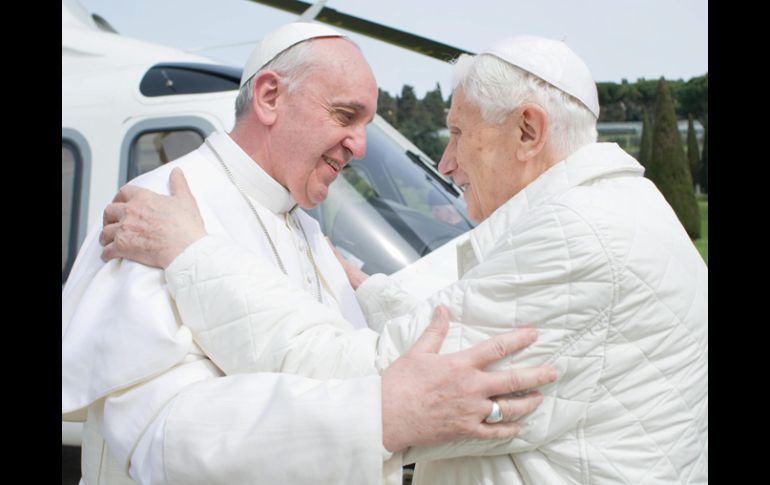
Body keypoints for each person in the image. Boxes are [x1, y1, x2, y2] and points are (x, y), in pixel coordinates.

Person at [102, 34, 708, 484]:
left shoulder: (580, 239)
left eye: (458, 133)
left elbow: (373, 379)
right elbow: (456, 320)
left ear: (528, 132)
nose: (445, 163)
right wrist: (363, 288)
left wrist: (193, 255)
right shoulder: (616, 210)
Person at [62, 23, 556, 485]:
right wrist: (378, 416)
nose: (359, 146)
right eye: (345, 116)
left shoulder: (304, 227)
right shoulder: (153, 213)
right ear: (270, 97)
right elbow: (158, 438)